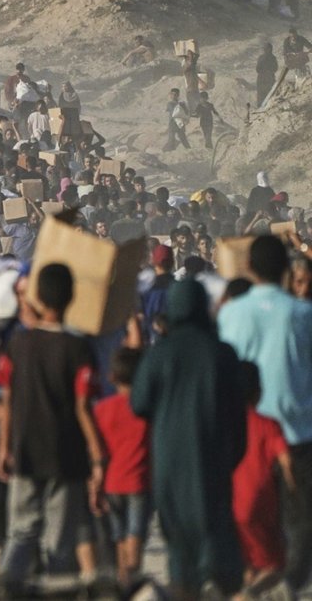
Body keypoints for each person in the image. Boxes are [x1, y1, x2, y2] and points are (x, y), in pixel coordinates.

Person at [133, 278, 248, 601]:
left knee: (178, 537)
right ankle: (216, 582)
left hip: (169, 458)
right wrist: (233, 454)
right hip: (214, 456)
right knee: (215, 527)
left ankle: (185, 587)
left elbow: (139, 402)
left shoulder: (161, 353)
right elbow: (238, 412)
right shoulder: (222, 353)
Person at [0, 263, 103, 595]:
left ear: (37, 297)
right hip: (65, 455)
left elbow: (7, 401)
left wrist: (4, 447)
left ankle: (5, 591)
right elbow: (83, 407)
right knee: (59, 539)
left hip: (25, 449)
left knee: (21, 532)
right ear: (71, 297)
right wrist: (97, 456)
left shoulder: (19, 344)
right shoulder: (78, 348)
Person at [218, 235, 312, 594]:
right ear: (287, 271)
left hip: (247, 436)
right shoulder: (303, 314)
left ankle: (257, 579)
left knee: (250, 516)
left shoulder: (230, 314)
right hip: (297, 434)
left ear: (250, 268)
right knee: (300, 521)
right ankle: (288, 583)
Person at [93, 348, 151, 591]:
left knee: (118, 538)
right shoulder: (148, 408)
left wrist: (95, 484)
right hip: (139, 481)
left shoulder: (102, 409)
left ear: (112, 378)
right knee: (135, 534)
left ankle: (122, 584)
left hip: (111, 482)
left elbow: (98, 451)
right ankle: (133, 582)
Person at [234, 361, 296, 592]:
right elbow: (285, 459)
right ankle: (249, 596)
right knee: (276, 566)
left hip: (229, 507)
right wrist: (293, 487)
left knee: (247, 567)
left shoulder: (223, 424)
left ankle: (246, 592)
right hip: (260, 508)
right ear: (259, 391)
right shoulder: (268, 425)